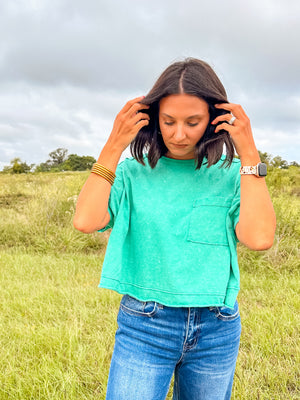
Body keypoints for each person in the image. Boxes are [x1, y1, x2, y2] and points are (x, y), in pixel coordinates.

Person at [73, 58, 276, 400]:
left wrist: (249, 150)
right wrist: (113, 145)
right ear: (154, 119)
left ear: (214, 120)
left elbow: (259, 239)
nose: (178, 134)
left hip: (217, 327)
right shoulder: (133, 173)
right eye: (168, 121)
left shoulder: (233, 174)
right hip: (145, 325)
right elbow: (86, 221)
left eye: (192, 122)